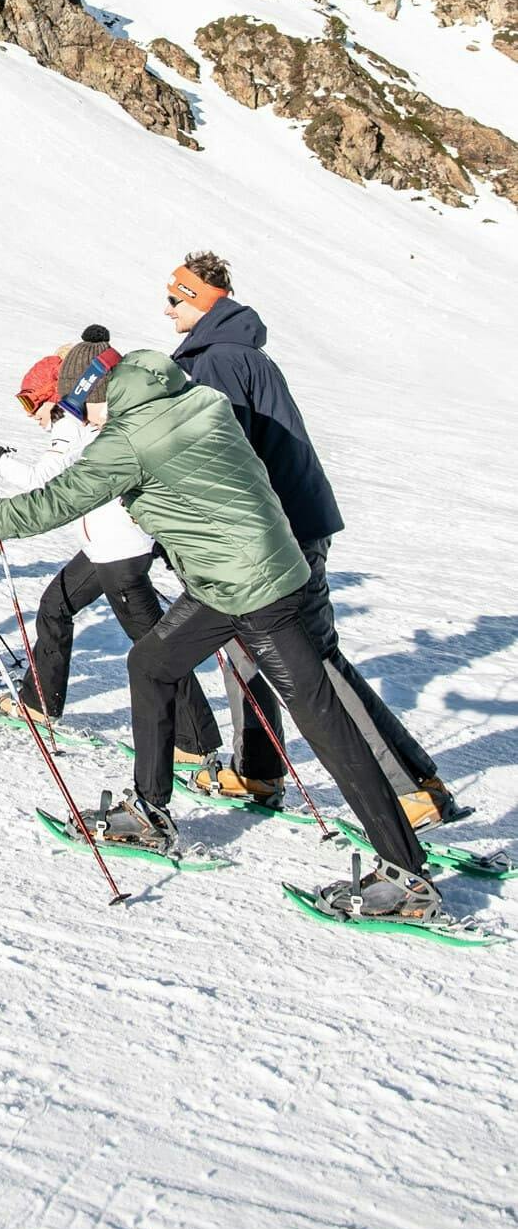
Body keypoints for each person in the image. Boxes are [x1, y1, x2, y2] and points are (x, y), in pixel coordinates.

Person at [0, 347, 440, 924]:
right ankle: (150, 810)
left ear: (91, 396)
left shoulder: (128, 438)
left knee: (321, 718)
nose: (81, 421)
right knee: (151, 664)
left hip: (252, 589)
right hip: (232, 577)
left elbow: (48, 506)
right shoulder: (196, 399)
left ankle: (407, 876)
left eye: (77, 408)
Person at [167, 252, 456, 827]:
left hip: (278, 535)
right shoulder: (234, 353)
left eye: (174, 299)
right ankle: (258, 768)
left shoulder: (219, 360)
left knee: (310, 659)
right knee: (244, 647)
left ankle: (409, 787)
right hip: (278, 528)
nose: (167, 310)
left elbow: (222, 456)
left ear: (198, 299)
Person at [0, 332, 222, 762]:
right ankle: (39, 704)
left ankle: (194, 745)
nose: (32, 416)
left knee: (156, 649)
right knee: (55, 606)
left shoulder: (71, 424)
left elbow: (42, 482)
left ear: (53, 396)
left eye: (32, 403)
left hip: (119, 551)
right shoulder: (79, 421)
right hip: (104, 549)